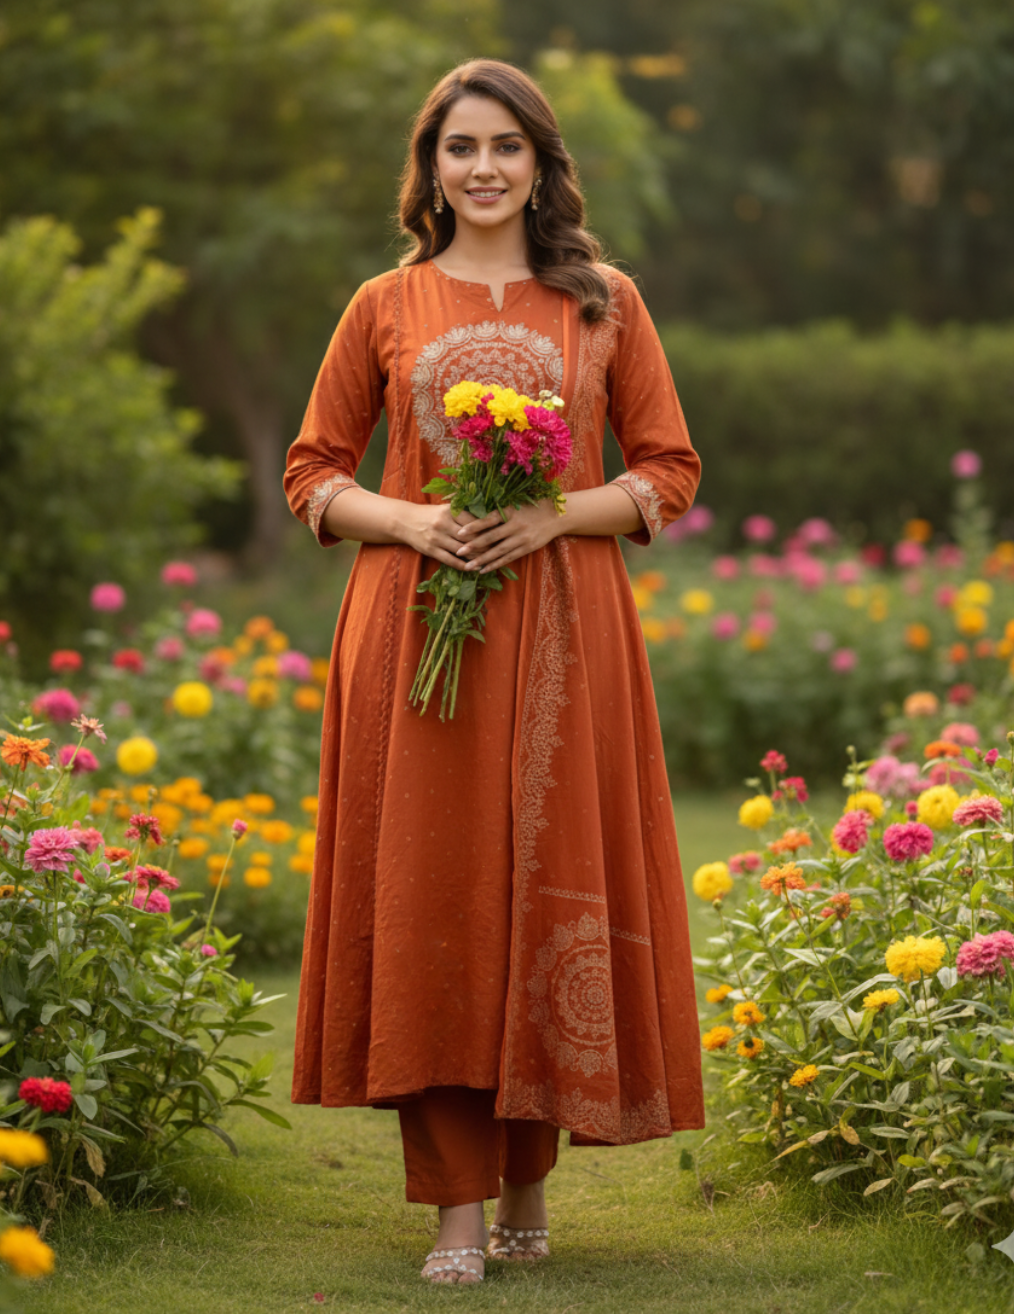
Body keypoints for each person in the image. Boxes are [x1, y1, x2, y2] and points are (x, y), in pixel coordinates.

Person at [283, 58, 705, 1286]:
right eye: (459, 147)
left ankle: (529, 1185)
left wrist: (553, 516)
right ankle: (455, 1210)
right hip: (416, 640)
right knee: (439, 898)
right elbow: (314, 470)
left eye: (505, 147)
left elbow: (669, 469)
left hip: (571, 639)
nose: (481, 169)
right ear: (430, 168)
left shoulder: (604, 301)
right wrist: (415, 523)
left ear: (540, 164)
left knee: (548, 877)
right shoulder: (384, 304)